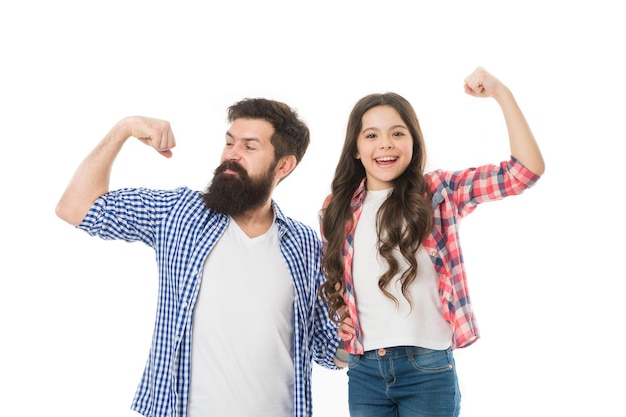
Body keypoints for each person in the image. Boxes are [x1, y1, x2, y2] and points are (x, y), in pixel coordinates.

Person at [55, 98, 346, 417]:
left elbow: (327, 347)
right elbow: (76, 207)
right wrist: (124, 128)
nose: (231, 154)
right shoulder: (179, 213)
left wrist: (368, 332)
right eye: (229, 142)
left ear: (283, 165)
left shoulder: (304, 243)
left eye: (249, 147)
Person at [318, 67, 545, 417]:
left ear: (413, 141)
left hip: (427, 369)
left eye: (397, 133)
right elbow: (339, 282)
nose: (385, 144)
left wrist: (501, 93)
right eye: (371, 135)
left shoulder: (438, 192)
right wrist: (343, 317)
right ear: (356, 149)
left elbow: (523, 172)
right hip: (364, 372)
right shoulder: (336, 208)